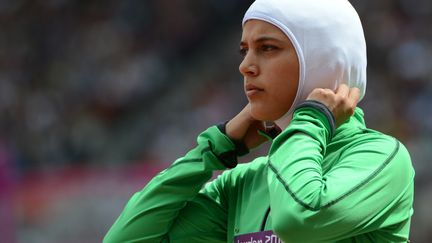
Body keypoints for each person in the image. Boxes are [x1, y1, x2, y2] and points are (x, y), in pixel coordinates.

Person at [104, 0, 415, 242]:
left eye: (267, 48)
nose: (246, 66)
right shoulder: (242, 183)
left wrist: (310, 119)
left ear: (324, 59)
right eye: (245, 50)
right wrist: (214, 149)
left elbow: (300, 219)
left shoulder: (381, 159)